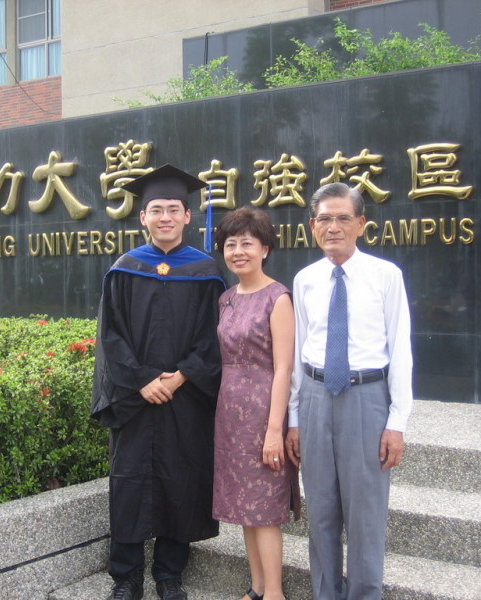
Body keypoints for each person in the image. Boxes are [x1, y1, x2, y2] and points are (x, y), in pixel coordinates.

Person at [91, 164, 227, 600]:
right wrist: (144, 380)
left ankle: (170, 574)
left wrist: (183, 374)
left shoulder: (205, 272)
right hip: (137, 396)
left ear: (188, 216)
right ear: (142, 218)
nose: (165, 217)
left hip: (186, 396)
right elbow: (110, 335)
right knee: (129, 481)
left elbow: (214, 336)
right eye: (156, 210)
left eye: (173, 209)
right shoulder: (126, 268)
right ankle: (126, 577)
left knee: (181, 478)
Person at [285, 182, 413, 600]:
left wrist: (397, 422)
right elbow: (299, 352)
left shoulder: (385, 276)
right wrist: (295, 419)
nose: (333, 227)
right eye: (324, 218)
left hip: (367, 400)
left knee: (365, 515)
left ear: (361, 224)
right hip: (316, 399)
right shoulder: (305, 280)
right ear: (312, 226)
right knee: (320, 511)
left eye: (343, 218)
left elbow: (401, 350)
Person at [212, 207, 301, 600]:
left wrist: (273, 431)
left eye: (247, 243)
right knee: (246, 507)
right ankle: (257, 588)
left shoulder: (277, 298)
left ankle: (276, 594)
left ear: (265, 248)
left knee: (264, 510)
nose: (238, 251)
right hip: (229, 413)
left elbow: (284, 369)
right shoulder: (226, 299)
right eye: (230, 244)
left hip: (264, 412)